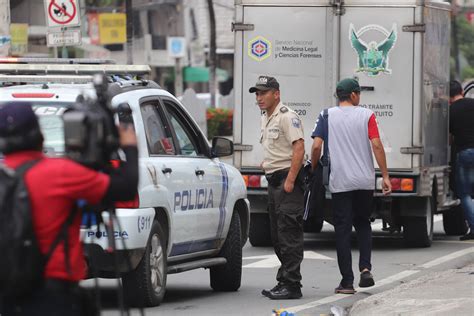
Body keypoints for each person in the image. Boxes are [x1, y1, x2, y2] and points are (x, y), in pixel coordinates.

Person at [0, 101, 139, 316]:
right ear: (39, 135)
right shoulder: (60, 173)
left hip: (8, 295)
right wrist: (129, 146)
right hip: (55, 295)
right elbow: (126, 188)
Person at [310, 78, 391, 294]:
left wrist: (313, 167)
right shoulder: (367, 115)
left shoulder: (326, 115)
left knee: (343, 229)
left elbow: (316, 146)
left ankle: (347, 282)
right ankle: (365, 268)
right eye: (359, 93)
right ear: (354, 95)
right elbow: (376, 144)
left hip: (340, 181)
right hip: (364, 181)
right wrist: (385, 175)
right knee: (363, 223)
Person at [249, 76, 305, 300]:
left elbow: (299, 148)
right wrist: (268, 163)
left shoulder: (287, 117)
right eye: (257, 94)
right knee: (277, 235)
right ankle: (284, 280)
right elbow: (279, 148)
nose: (259, 98)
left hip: (286, 183)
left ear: (276, 94)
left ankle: (292, 285)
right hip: (274, 181)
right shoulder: (266, 117)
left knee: (289, 234)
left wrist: (291, 179)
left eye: (263, 93)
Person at [449, 80, 474, 241]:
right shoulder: (472, 103)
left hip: (464, 153)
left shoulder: (451, 110)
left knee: (465, 194)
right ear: (462, 92)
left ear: (449, 97)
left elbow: (449, 137)